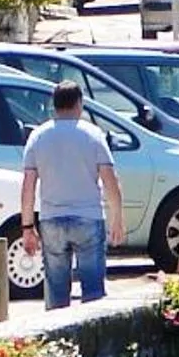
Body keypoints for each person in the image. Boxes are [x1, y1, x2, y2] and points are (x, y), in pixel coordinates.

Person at [20, 81, 125, 312]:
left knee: (56, 291)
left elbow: (28, 185)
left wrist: (27, 226)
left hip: (51, 218)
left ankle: (57, 343)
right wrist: (117, 217)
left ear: (54, 105)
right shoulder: (93, 135)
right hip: (88, 217)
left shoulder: (38, 137)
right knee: (94, 292)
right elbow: (110, 180)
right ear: (80, 103)